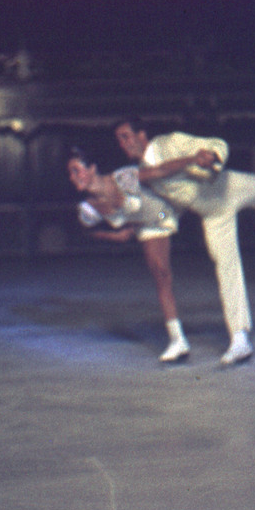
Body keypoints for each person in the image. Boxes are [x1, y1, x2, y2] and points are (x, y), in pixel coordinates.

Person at [112, 116, 255, 366]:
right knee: (226, 266)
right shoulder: (146, 177)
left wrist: (212, 156)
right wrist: (137, 227)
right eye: (119, 140)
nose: (124, 144)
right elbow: (171, 208)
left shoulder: (170, 143)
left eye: (126, 136)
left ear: (142, 134)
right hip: (213, 215)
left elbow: (216, 144)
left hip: (227, 187)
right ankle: (240, 338)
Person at [67, 149, 192, 362]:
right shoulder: (88, 209)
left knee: (189, 198)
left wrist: (193, 158)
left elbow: (160, 170)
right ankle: (178, 340)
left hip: (165, 211)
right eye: (70, 173)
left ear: (93, 168)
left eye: (77, 170)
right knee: (161, 274)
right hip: (146, 227)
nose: (74, 177)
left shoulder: (123, 178)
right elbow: (87, 232)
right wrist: (115, 235)